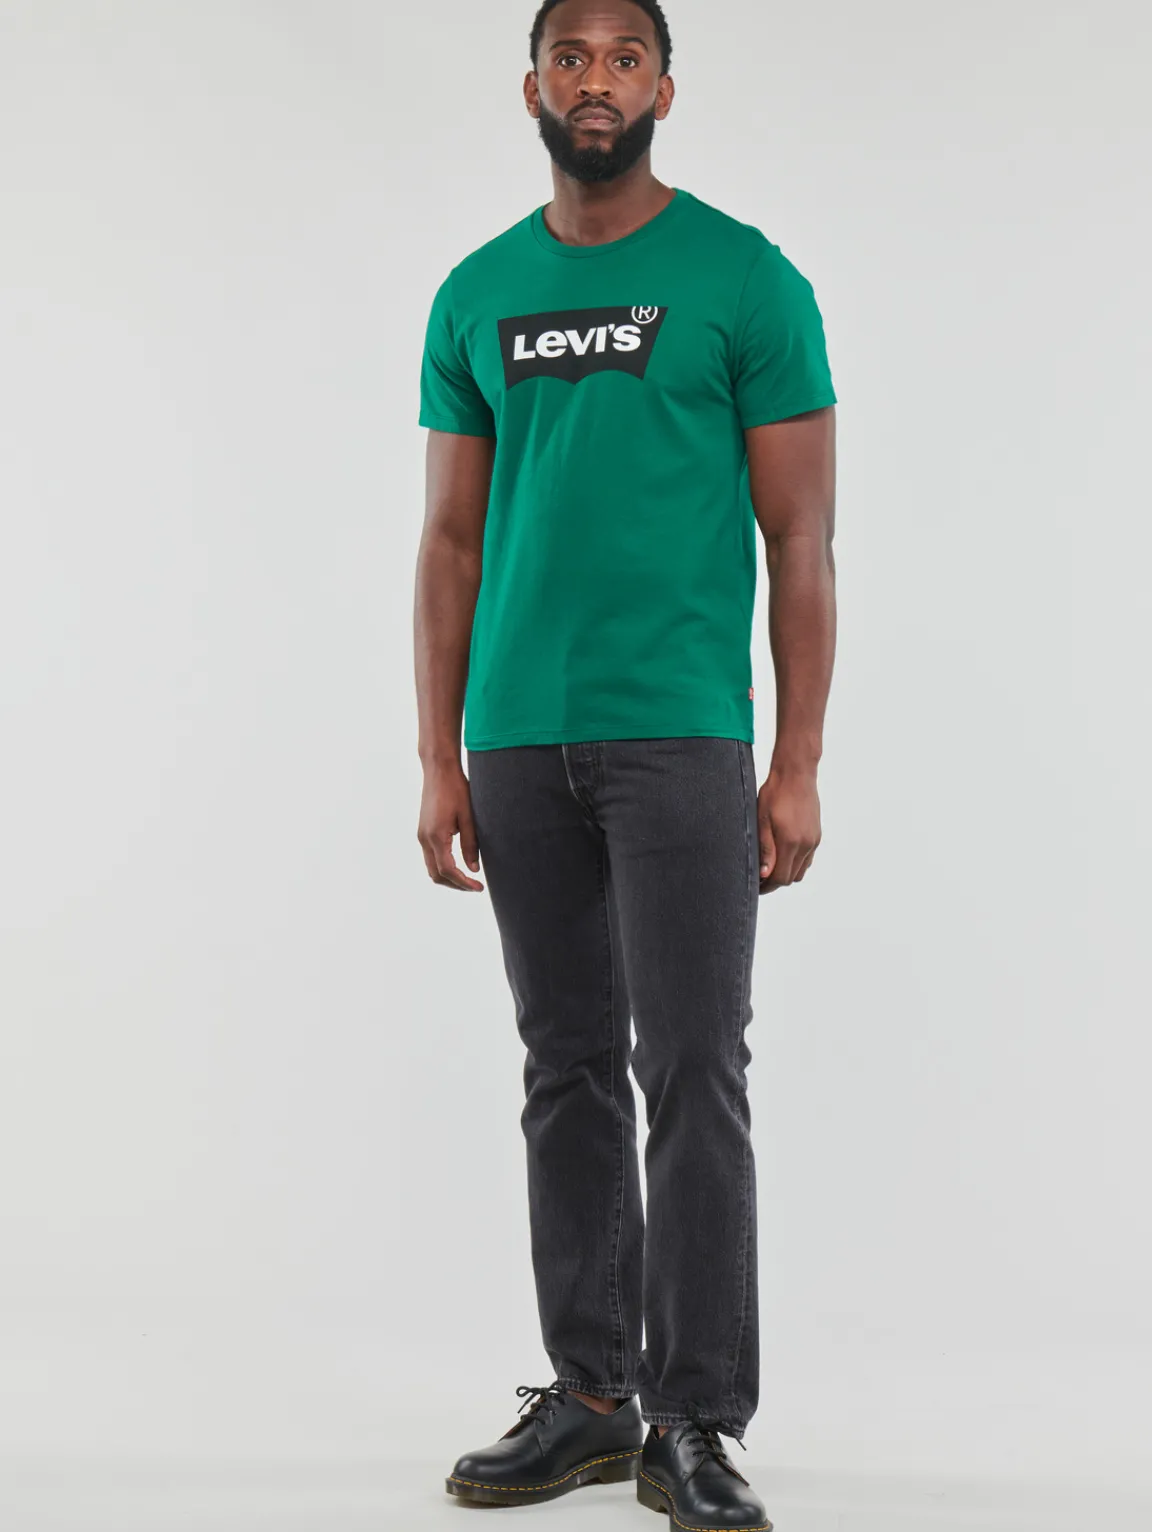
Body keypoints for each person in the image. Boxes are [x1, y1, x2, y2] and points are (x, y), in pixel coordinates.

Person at [414, 1, 836, 1525]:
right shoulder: (477, 292)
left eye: (625, 57)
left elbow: (801, 537)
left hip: (682, 734)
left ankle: (697, 1419)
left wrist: (795, 762)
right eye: (571, 55)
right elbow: (450, 540)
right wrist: (439, 756)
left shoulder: (745, 278)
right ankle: (592, 1396)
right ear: (532, 85)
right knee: (567, 1066)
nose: (596, 79)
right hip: (518, 738)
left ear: (665, 88)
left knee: (694, 1068)